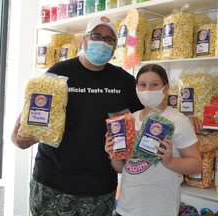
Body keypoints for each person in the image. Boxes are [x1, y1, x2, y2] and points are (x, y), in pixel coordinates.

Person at [11, 15, 144, 216]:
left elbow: (144, 117)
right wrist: (17, 136)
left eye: (109, 39)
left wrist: (183, 119)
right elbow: (31, 109)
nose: (102, 43)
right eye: (96, 36)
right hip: (52, 185)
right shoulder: (60, 72)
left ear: (115, 46)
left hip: (99, 190)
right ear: (84, 40)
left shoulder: (124, 81)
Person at [105, 64, 203, 216]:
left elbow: (196, 165)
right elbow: (121, 168)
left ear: (165, 88)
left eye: (154, 85)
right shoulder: (129, 120)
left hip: (160, 209)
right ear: (136, 88)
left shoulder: (178, 120)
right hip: (126, 207)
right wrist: (114, 153)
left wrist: (169, 161)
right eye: (142, 85)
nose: (148, 90)